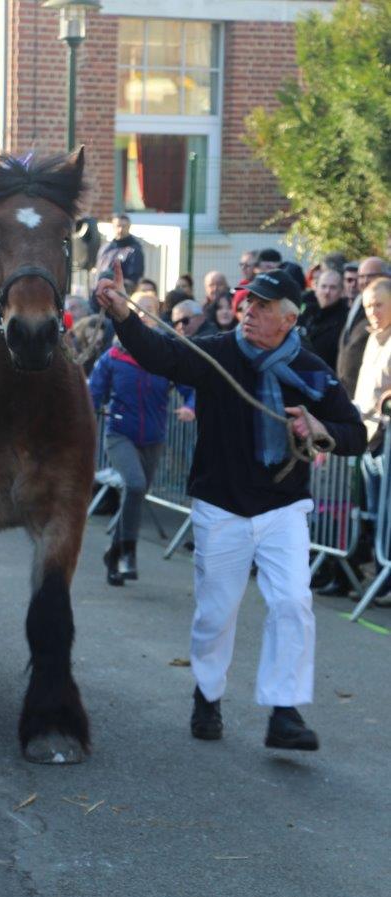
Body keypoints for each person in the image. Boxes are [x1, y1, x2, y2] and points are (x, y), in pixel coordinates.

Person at [96, 260, 367, 751]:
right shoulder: (218, 353)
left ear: (289, 319)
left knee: (293, 603)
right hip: (221, 506)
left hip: (283, 508)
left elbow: (355, 434)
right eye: (248, 302)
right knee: (215, 613)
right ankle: (208, 694)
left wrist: (321, 430)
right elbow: (160, 355)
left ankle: (284, 712)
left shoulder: (312, 372)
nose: (248, 311)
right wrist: (122, 313)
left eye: (262, 306)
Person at [89, 290, 194, 586]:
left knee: (136, 494)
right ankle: (127, 552)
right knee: (134, 485)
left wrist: (189, 406)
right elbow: (93, 395)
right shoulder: (113, 357)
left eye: (149, 308)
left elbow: (189, 387)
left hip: (154, 437)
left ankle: (114, 552)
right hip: (120, 434)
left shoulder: (165, 353)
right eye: (139, 308)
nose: (144, 313)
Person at [353, 277, 391, 603]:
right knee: (375, 514)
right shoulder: (371, 339)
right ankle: (380, 576)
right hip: (368, 438)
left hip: (387, 440)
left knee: (387, 515)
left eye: (379, 304)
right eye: (368, 306)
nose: (373, 312)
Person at [337, 257, 390, 397]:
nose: (372, 312)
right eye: (361, 276)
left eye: (378, 305)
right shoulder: (373, 336)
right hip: (355, 403)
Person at [298, 269, 348, 372]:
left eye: (333, 288)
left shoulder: (345, 319)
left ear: (342, 291)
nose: (327, 292)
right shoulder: (306, 313)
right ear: (316, 289)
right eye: (323, 286)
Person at [94, 214, 144, 295]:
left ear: (129, 227)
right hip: (99, 293)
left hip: (119, 295)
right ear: (113, 226)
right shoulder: (105, 248)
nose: (120, 230)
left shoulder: (134, 251)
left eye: (124, 226)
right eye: (118, 226)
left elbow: (133, 281)